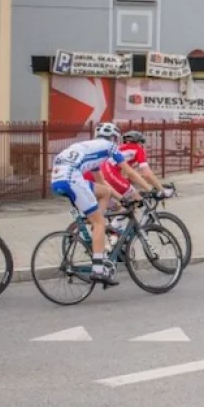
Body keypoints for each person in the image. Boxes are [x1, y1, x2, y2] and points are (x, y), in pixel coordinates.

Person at [51, 122, 153, 286]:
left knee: (103, 194)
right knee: (99, 222)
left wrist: (121, 199)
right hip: (72, 178)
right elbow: (130, 172)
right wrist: (149, 189)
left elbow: (103, 184)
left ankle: (95, 224)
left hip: (57, 179)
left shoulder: (90, 147)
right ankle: (98, 270)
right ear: (114, 137)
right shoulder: (110, 147)